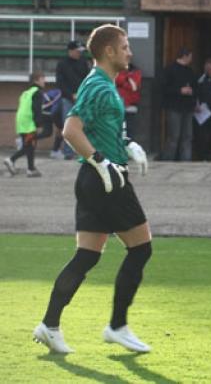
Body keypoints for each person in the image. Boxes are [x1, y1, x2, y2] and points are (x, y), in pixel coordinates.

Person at [32, 24, 152, 355]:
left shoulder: (102, 85)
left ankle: (49, 325)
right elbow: (71, 130)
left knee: (86, 255)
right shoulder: (99, 85)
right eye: (125, 47)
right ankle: (117, 326)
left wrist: (128, 145)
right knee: (141, 249)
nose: (129, 52)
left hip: (92, 178)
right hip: (105, 179)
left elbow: (101, 128)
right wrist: (102, 162)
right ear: (110, 52)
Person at [4, 70, 47, 177]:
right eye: (42, 78)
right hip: (29, 123)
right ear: (36, 80)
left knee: (29, 145)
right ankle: (11, 159)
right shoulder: (37, 92)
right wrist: (38, 125)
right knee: (29, 146)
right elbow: (37, 110)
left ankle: (30, 169)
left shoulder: (25, 93)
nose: (44, 81)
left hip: (21, 122)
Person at [55, 40, 91, 159]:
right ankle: (68, 152)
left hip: (82, 99)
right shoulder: (62, 63)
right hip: (68, 99)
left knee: (84, 125)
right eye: (77, 51)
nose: (79, 54)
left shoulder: (83, 62)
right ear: (70, 51)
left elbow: (87, 78)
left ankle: (84, 151)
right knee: (69, 126)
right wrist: (71, 95)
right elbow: (60, 83)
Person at [161, 47, 196, 161]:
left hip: (188, 107)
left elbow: (196, 87)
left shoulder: (190, 71)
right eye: (190, 56)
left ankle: (186, 161)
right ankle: (168, 160)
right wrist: (179, 90)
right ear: (185, 56)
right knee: (173, 136)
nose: (191, 59)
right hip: (174, 107)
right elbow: (164, 88)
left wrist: (192, 93)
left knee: (187, 136)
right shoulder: (170, 70)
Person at [115, 63, 142, 141]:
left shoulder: (135, 71)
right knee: (117, 131)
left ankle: (128, 150)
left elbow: (134, 87)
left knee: (129, 131)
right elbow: (116, 80)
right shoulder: (115, 70)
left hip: (131, 106)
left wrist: (123, 81)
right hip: (117, 106)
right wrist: (127, 79)